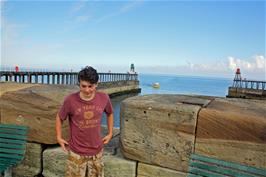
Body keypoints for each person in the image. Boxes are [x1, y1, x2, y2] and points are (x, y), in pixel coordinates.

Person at [56, 66, 114, 177]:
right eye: (83, 86)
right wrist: (59, 137)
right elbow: (59, 117)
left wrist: (110, 133)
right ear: (79, 84)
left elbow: (110, 113)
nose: (87, 90)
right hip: (76, 152)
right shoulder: (70, 100)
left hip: (97, 151)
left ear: (97, 84)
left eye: (90, 86)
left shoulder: (104, 98)